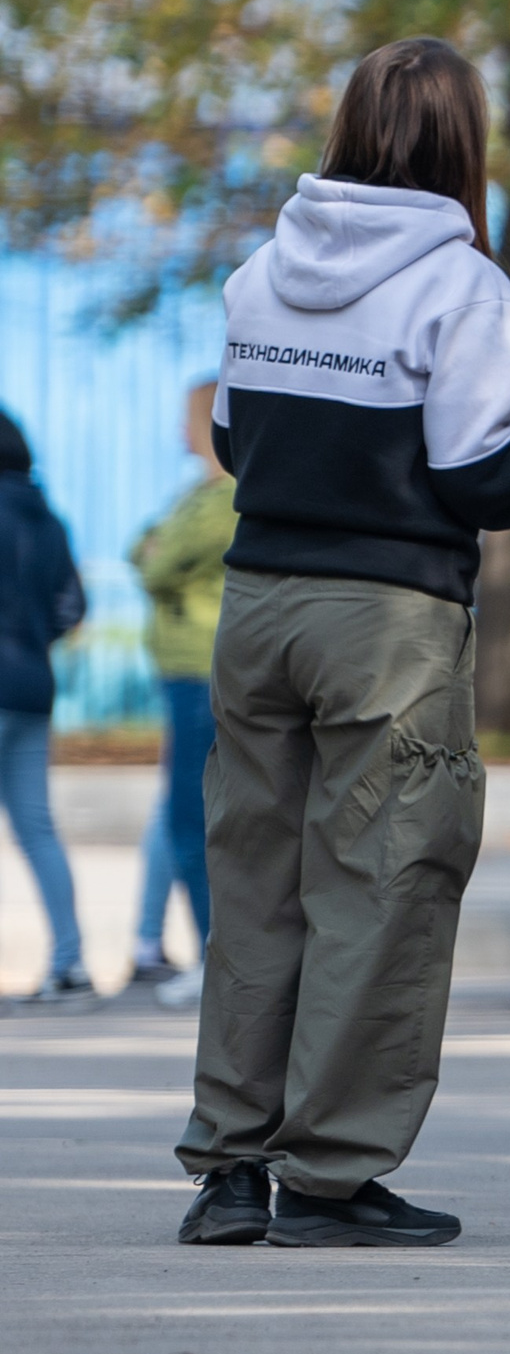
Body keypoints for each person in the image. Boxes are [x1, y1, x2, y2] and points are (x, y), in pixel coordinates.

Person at [174, 37, 510, 1249]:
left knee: (255, 887)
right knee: (382, 887)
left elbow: (239, 449)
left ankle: (229, 1171)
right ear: (463, 144)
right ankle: (330, 1179)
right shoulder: (465, 288)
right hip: (384, 624)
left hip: (258, 610)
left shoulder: (259, 276)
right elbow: (479, 477)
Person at [128, 381, 234, 995]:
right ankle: (200, 951)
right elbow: (138, 549)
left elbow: (156, 562)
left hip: (202, 672)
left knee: (191, 819)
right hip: (182, 675)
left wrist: (156, 551)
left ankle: (211, 959)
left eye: (185, 419)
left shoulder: (224, 500)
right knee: (180, 817)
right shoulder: (198, 495)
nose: (177, 432)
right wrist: (153, 550)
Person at [0, 410, 92, 1005]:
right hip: (34, 685)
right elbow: (73, 607)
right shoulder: (50, 518)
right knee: (37, 827)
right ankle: (69, 964)